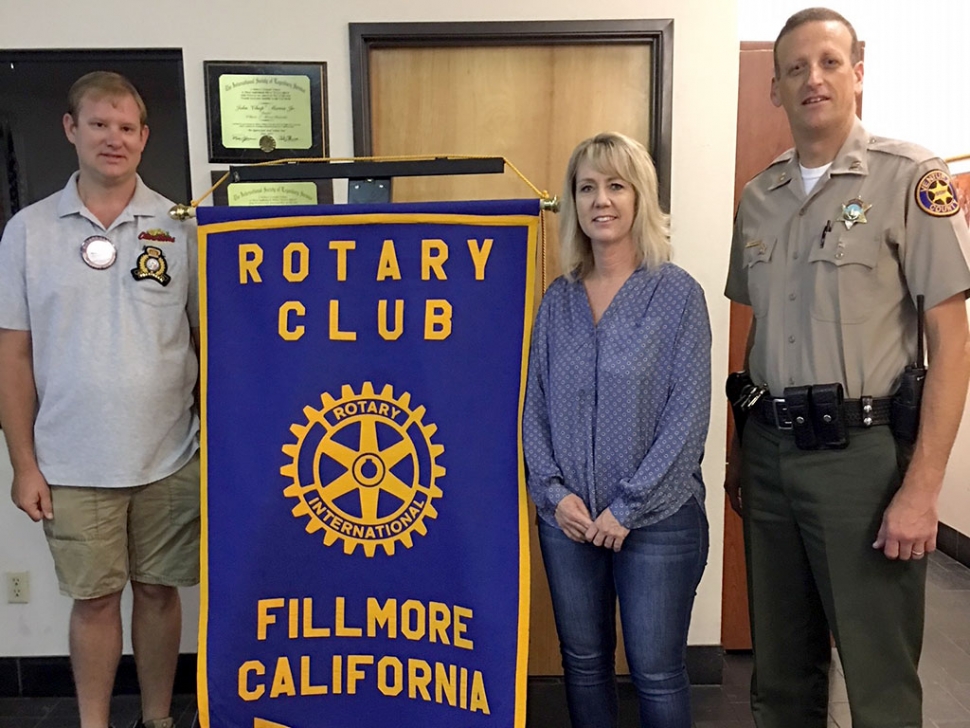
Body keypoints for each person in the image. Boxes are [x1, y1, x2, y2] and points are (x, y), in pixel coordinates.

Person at [725, 8, 970, 728]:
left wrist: (923, 489)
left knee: (879, 678)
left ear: (857, 75)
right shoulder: (758, 199)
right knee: (780, 676)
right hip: (770, 457)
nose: (814, 79)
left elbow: (952, 344)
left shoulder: (909, 178)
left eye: (829, 63)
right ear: (775, 89)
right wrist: (743, 450)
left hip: (862, 462)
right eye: (795, 68)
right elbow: (759, 332)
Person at [0, 72, 200, 728]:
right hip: (72, 460)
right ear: (71, 130)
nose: (113, 138)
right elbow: (14, 356)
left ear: (144, 137)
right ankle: (93, 722)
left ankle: (158, 717)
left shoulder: (183, 227)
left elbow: (216, 341)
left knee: (158, 590)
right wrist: (23, 463)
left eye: (126, 127)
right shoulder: (27, 233)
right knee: (93, 601)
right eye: (98, 124)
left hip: (170, 454)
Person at [523, 131, 711, 728]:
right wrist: (555, 497)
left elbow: (688, 417)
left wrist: (627, 507)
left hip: (658, 522)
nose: (600, 200)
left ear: (639, 198)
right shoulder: (557, 301)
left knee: (656, 673)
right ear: (573, 203)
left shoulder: (677, 295)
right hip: (570, 521)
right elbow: (535, 410)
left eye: (615, 185)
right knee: (583, 664)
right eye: (586, 188)